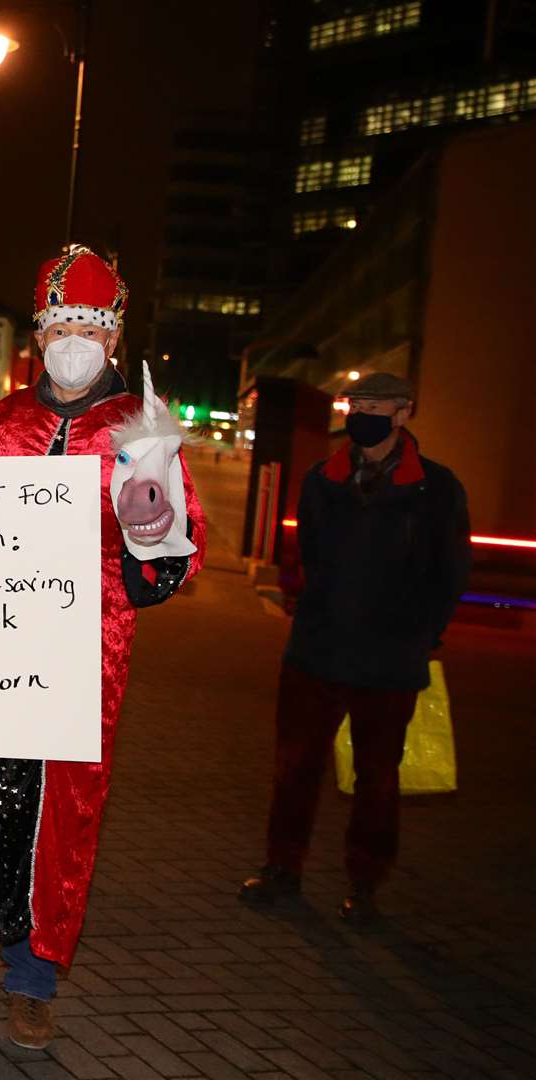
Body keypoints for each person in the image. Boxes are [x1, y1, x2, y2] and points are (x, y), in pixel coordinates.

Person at [0, 246, 206, 1048]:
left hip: (81, 664)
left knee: (61, 819)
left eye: (89, 325)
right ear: (40, 336)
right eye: (60, 324)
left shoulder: (140, 427)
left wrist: (156, 539)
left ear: (112, 338)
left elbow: (177, 552)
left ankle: (35, 980)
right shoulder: (2, 420)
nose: (73, 338)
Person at [240, 373, 469, 923]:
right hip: (317, 652)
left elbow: (450, 571)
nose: (362, 413)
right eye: (357, 403)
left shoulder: (436, 488)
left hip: (389, 660)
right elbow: (308, 557)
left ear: (403, 413)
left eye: (376, 405)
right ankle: (283, 868)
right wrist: (313, 609)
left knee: (377, 778)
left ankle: (365, 884)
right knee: (295, 768)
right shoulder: (323, 478)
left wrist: (418, 633)